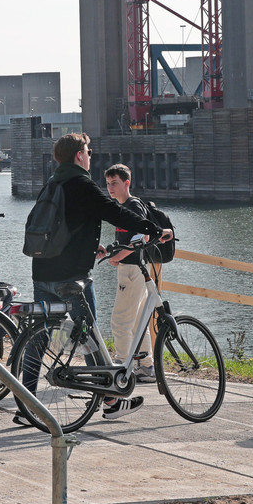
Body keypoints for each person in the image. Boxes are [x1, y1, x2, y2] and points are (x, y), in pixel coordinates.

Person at [28, 133, 170, 420]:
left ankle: (27, 403)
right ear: (79, 156)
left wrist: (93, 247)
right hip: (72, 277)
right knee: (89, 335)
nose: (90, 155)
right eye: (88, 151)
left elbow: (63, 226)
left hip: (42, 272)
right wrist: (154, 230)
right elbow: (115, 212)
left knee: (38, 337)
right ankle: (109, 400)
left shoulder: (52, 183)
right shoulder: (81, 183)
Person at [102, 164, 158, 384]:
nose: (110, 188)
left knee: (120, 321)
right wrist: (109, 251)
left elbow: (140, 238)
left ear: (127, 183)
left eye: (114, 183)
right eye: (107, 184)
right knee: (136, 321)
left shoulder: (132, 206)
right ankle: (146, 366)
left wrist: (119, 257)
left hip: (131, 270)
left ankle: (122, 367)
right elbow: (125, 239)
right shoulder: (124, 207)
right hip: (136, 269)